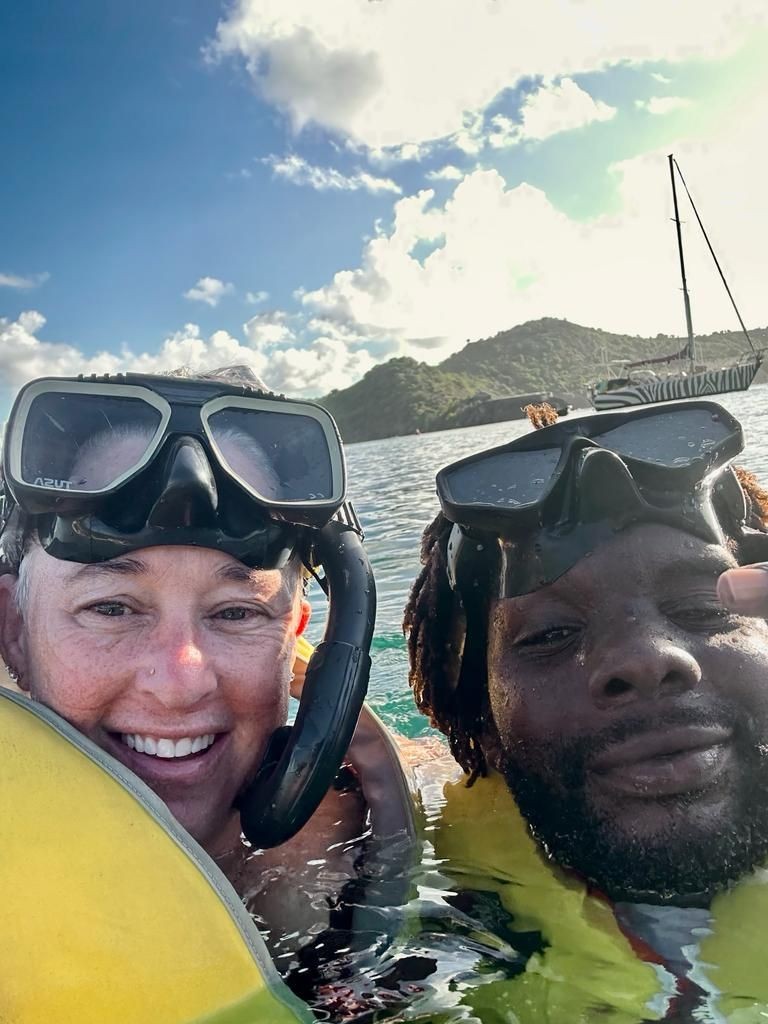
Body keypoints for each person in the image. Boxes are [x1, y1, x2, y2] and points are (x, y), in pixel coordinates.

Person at [0, 366, 415, 1022]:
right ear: (13, 631)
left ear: (297, 632)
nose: (182, 679)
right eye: (111, 608)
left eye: (235, 612)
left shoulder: (395, 805)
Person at [404, 399, 768, 1021]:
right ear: (482, 724)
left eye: (705, 607)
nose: (646, 659)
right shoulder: (415, 875)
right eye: (549, 635)